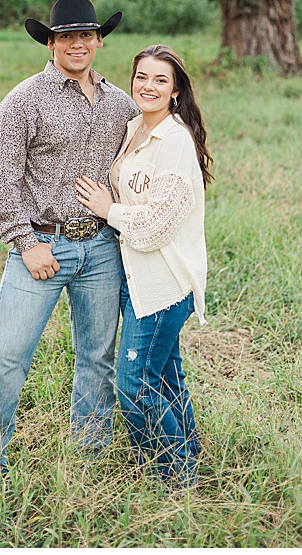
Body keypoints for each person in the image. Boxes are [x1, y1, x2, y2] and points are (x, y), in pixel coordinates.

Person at [0, 0, 138, 472]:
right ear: (51, 44)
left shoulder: (120, 105)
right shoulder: (24, 100)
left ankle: (90, 455)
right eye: (66, 36)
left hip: (102, 249)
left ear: (99, 40)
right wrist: (27, 242)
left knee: (97, 359)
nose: (77, 44)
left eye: (86, 34)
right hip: (42, 245)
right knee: (9, 356)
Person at [74, 44, 212, 490]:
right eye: (141, 77)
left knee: (134, 389)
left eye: (160, 80)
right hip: (133, 278)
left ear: (175, 92)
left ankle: (173, 478)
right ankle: (188, 456)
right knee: (166, 376)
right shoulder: (134, 128)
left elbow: (155, 226)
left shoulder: (174, 142)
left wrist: (108, 209)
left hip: (163, 285)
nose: (148, 87)